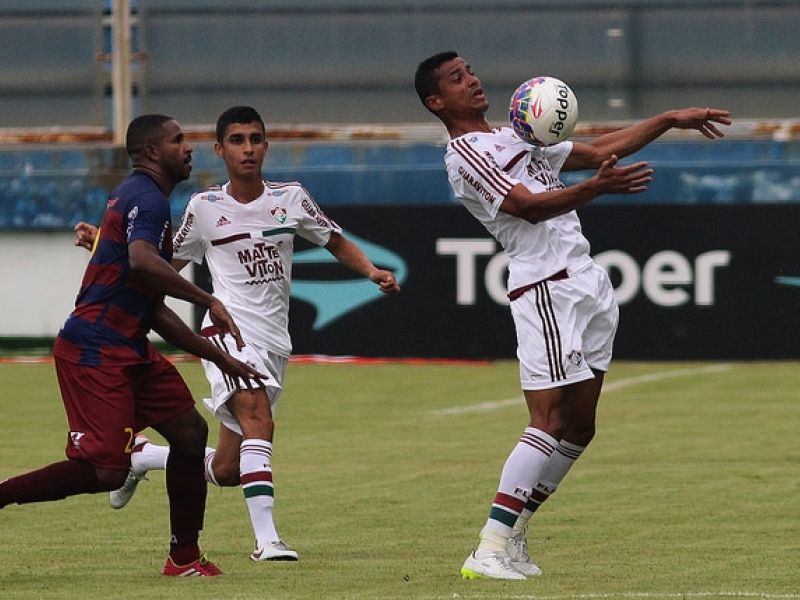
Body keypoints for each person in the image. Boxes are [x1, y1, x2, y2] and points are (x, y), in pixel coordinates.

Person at [414, 51, 731, 580]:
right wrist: (595, 189)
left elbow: (601, 150)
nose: (471, 80)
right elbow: (527, 207)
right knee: (548, 420)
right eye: (456, 78)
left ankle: (514, 531)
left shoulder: (516, 135)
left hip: (586, 282)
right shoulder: (466, 153)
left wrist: (669, 119)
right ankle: (488, 547)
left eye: (469, 71)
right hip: (545, 288)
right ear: (435, 101)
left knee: (581, 427)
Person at [74, 105, 401, 562]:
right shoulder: (204, 208)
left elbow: (333, 239)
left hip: (274, 341)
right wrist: (102, 245)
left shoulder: (291, 198)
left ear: (266, 145)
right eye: (237, 140)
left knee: (228, 469)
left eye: (255, 139)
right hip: (227, 333)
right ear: (220, 150)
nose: (247, 149)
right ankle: (268, 541)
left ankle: (143, 457)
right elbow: (161, 265)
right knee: (258, 420)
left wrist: (371, 271)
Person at [0, 114, 267, 577]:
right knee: (107, 470)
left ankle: (184, 557)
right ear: (151, 152)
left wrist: (219, 357)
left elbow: (153, 308)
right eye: (178, 140)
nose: (188, 147)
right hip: (95, 348)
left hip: (129, 344)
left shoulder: (142, 197)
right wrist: (208, 299)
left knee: (190, 433)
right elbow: (143, 263)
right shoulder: (147, 198)